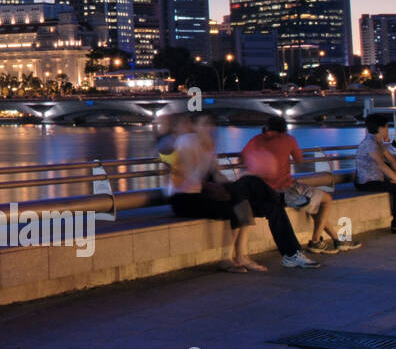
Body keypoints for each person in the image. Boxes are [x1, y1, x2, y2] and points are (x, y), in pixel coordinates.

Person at [168, 113, 319, 271]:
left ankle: (291, 255)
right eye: (204, 124)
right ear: (194, 126)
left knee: (270, 205)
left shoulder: (208, 144)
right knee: (242, 196)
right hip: (185, 198)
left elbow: (216, 174)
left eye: (210, 124)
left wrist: (228, 184)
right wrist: (215, 185)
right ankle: (230, 259)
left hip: (207, 193)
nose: (209, 128)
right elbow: (184, 176)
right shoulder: (186, 141)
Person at [240, 117, 358, 255]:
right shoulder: (288, 139)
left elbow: (243, 157)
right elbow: (299, 159)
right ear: (284, 128)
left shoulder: (256, 139)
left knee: (313, 205)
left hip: (262, 191)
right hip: (285, 189)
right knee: (326, 200)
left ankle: (337, 239)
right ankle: (315, 242)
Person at [353, 113, 396, 233]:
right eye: (387, 127)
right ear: (381, 128)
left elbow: (392, 160)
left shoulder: (378, 143)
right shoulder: (370, 143)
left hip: (377, 180)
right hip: (366, 182)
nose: (388, 130)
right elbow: (381, 165)